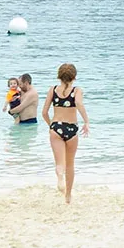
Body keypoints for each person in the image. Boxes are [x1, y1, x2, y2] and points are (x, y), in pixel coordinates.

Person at [42, 63, 89, 204]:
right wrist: (86, 121)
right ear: (74, 77)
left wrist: (51, 125)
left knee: (59, 163)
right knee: (70, 164)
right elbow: (79, 104)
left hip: (56, 127)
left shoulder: (53, 90)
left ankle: (60, 178)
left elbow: (44, 112)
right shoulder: (76, 90)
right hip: (72, 128)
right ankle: (68, 195)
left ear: (59, 76)